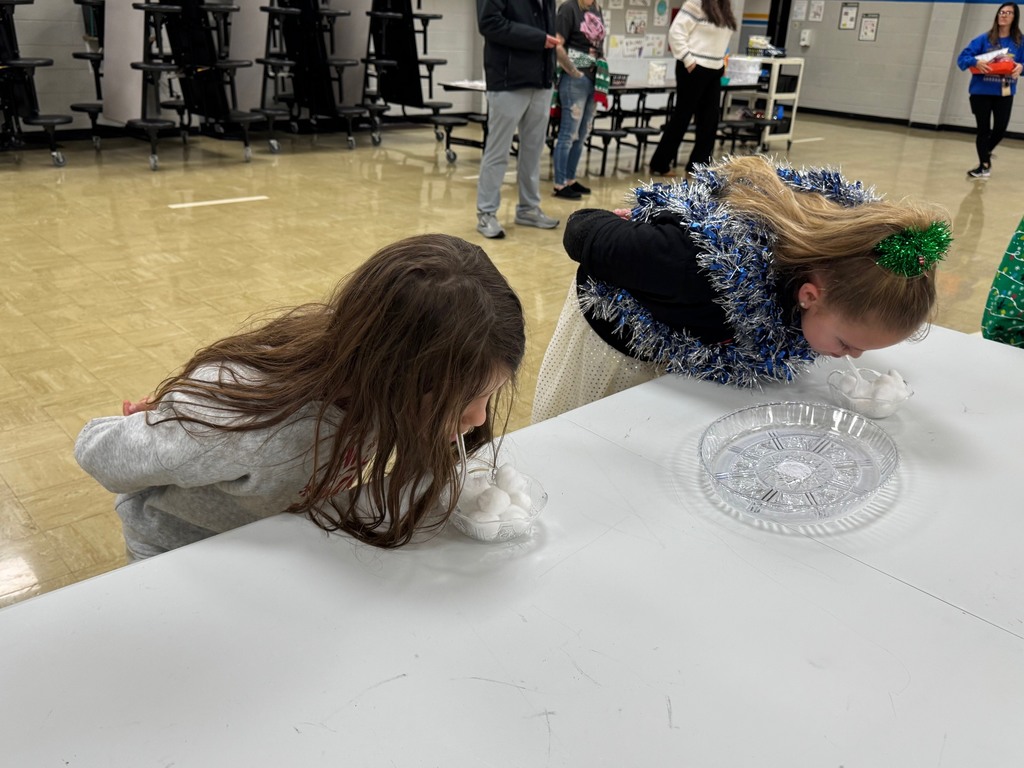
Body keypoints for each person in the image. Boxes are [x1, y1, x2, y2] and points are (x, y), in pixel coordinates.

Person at [75, 234, 526, 560]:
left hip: (266, 540)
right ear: (392, 373)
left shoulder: (373, 389)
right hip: (179, 552)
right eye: (463, 399)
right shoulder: (237, 431)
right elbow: (95, 450)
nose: (477, 417)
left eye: (488, 396)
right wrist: (165, 430)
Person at [531, 156, 951, 423]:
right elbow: (580, 230)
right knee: (593, 431)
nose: (853, 358)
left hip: (694, 333)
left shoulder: (835, 274)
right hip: (618, 342)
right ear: (809, 296)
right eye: (846, 344)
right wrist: (616, 226)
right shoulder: (685, 263)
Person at [476, 0, 562, 239]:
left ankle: (528, 208)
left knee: (533, 151)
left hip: (541, 81)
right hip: (507, 81)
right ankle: (486, 212)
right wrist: (538, 38)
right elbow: (489, 23)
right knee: (498, 151)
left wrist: (551, 73)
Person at [647, 0, 737, 178]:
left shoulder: (725, 7)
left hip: (714, 68)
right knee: (683, 116)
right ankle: (660, 163)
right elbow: (676, 33)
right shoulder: (695, 4)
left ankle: (698, 166)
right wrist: (688, 60)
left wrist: (720, 63)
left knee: (710, 120)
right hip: (693, 67)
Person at [956, 2, 1024, 179]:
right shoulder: (983, 39)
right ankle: (983, 166)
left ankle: (985, 154)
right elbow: (963, 58)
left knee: (1000, 129)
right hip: (981, 92)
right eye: (1001, 12)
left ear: (1014, 17)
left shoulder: (1019, 42)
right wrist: (975, 62)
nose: (1004, 15)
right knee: (983, 130)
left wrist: (1021, 68)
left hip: (1004, 92)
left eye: (1009, 13)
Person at [552, 0, 606, 200]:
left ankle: (570, 179)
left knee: (583, 133)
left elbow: (599, 46)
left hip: (594, 77)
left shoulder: (596, 9)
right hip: (575, 78)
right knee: (569, 133)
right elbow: (557, 45)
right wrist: (573, 72)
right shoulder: (568, 8)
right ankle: (559, 184)